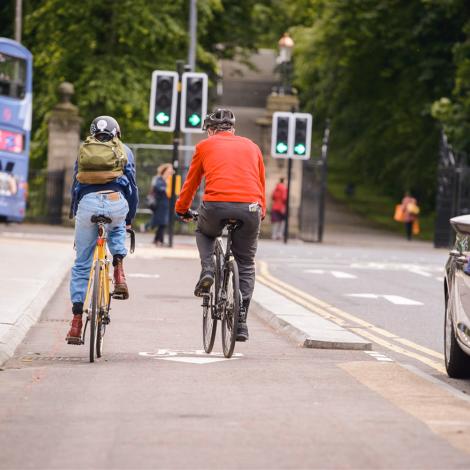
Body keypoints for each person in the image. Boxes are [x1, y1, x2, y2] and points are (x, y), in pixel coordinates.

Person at [175, 108, 266, 342]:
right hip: (251, 207)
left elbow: (192, 182)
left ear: (210, 130)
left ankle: (207, 269)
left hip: (216, 206)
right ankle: (241, 320)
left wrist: (181, 209)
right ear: (233, 130)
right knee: (245, 263)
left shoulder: (205, 146)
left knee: (204, 233)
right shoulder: (253, 147)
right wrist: (261, 210)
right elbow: (261, 183)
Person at [66, 115, 138, 344]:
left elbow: (76, 185)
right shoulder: (124, 150)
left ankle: (76, 322)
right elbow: (133, 188)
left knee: (81, 264)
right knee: (118, 226)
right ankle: (119, 268)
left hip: (87, 205)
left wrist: (76, 212)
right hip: (116, 201)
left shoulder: (84, 149)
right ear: (118, 132)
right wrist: (129, 219)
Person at [149, 163, 174, 246]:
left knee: (162, 223)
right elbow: (159, 188)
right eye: (169, 170)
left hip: (165, 204)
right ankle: (159, 240)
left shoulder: (168, 180)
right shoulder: (159, 179)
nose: (171, 172)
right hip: (159, 204)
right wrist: (166, 187)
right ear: (165, 171)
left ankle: (157, 240)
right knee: (162, 223)